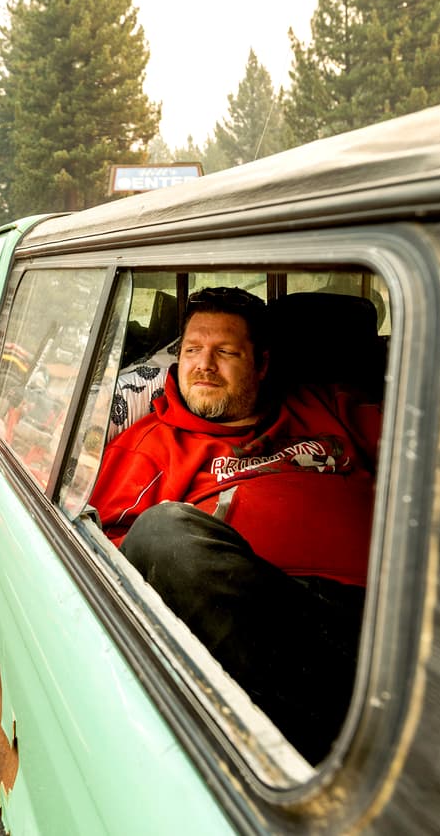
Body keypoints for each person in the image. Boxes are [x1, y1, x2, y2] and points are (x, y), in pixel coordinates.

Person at [89, 287, 382, 762]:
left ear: (262, 364)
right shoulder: (149, 446)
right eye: (191, 351)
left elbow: (427, 455)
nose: (203, 366)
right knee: (160, 533)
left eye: (224, 352)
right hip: (270, 628)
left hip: (394, 608)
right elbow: (107, 561)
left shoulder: (329, 406)